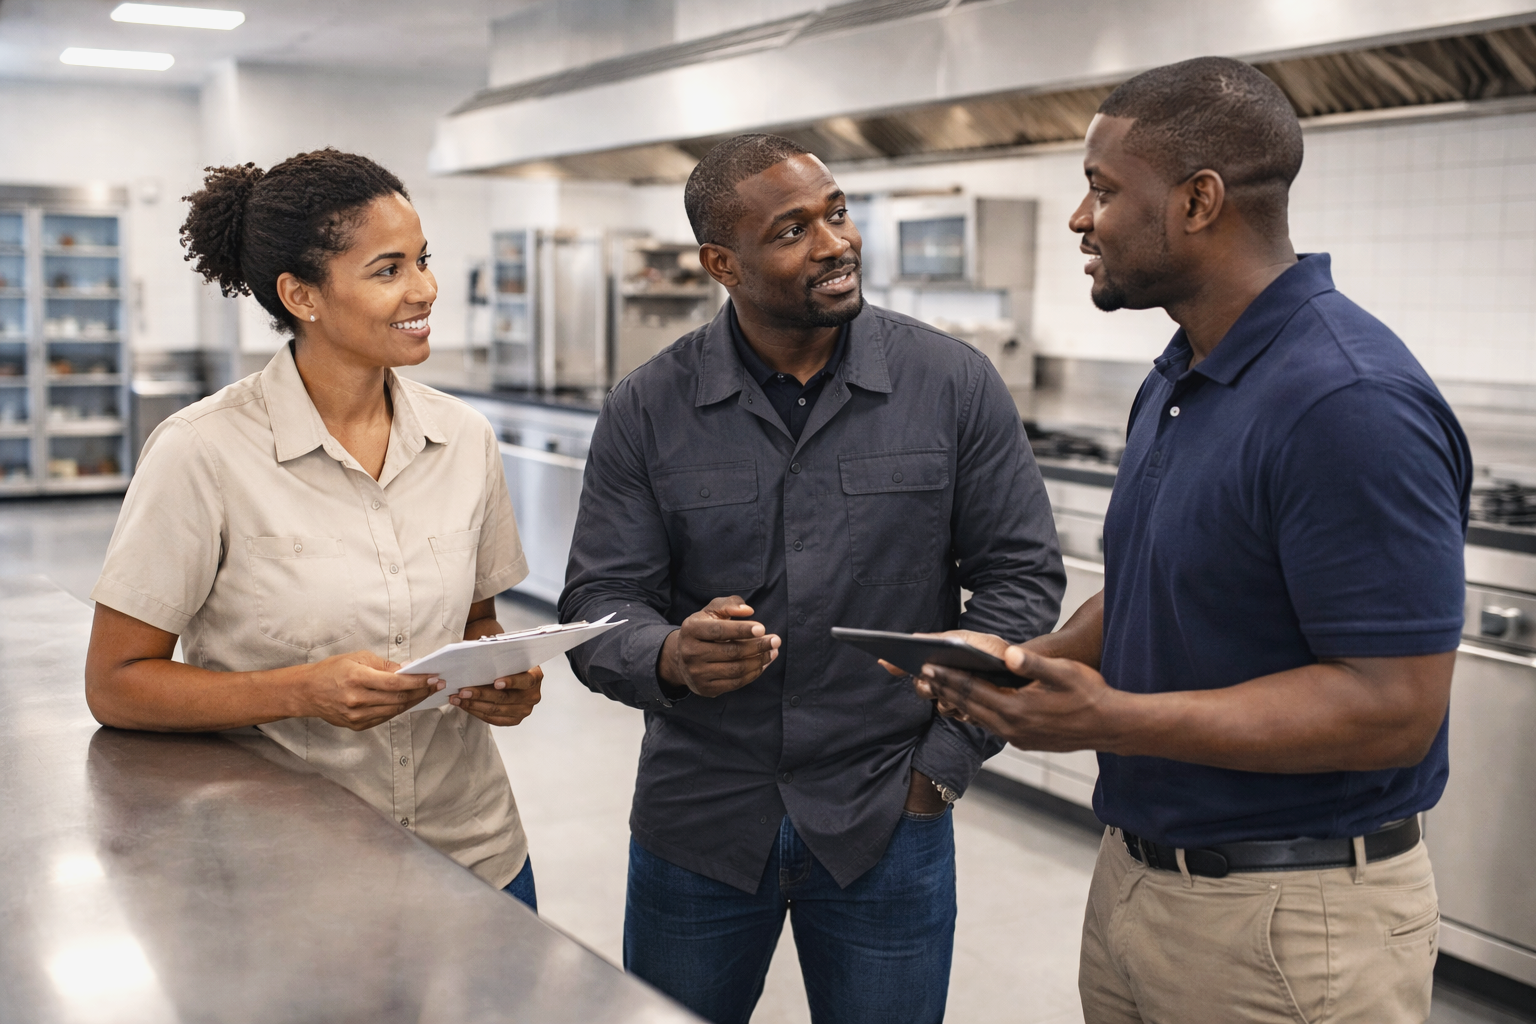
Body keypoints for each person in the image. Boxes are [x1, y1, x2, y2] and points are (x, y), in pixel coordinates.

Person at [910, 58, 1470, 1024]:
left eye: (1101, 190)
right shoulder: (1184, 373)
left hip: (1293, 925)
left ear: (1199, 201)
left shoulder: (1347, 402)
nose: (1081, 219)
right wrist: (1030, 662)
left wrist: (1111, 719)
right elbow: (1155, 586)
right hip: (1141, 883)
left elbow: (1393, 711)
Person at [560, 133, 1064, 1024]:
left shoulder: (951, 384)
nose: (836, 243)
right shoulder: (648, 406)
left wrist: (942, 766)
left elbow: (1020, 581)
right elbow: (599, 602)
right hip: (701, 819)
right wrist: (669, 655)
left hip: (887, 815)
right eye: (793, 230)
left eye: (837, 213)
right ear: (723, 263)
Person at [84, 149, 545, 910]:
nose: (425, 288)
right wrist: (301, 691)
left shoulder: (464, 438)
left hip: (474, 854)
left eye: (423, 260)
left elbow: (477, 622)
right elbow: (117, 684)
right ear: (302, 295)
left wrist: (503, 676)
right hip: (291, 874)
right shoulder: (203, 451)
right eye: (388, 270)